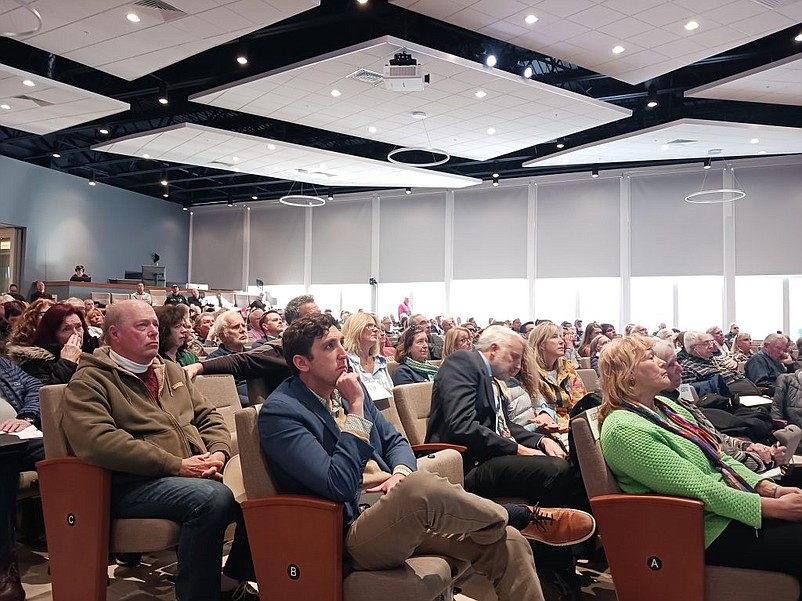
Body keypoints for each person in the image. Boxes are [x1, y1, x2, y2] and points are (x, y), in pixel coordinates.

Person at [260, 313, 565, 601]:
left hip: (392, 510)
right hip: (348, 532)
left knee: (509, 543)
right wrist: (355, 409)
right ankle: (516, 514)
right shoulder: (283, 413)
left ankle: (513, 523)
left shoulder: (345, 392)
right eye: (329, 346)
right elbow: (338, 484)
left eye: (340, 342)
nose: (343, 353)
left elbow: (397, 442)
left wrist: (401, 473)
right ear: (302, 362)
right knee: (421, 489)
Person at [61, 300, 255, 601]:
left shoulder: (171, 371)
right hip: (129, 484)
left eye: (154, 324)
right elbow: (97, 441)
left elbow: (209, 416)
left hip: (187, 474)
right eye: (142, 326)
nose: (154, 331)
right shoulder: (90, 380)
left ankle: (229, 583)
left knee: (256, 487)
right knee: (211, 498)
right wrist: (176, 464)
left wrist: (218, 453)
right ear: (114, 334)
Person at [598, 335, 802, 586]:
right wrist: (775, 508)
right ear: (627, 375)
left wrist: (770, 489)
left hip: (726, 510)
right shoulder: (624, 429)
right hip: (699, 531)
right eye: (650, 358)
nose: (662, 363)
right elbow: (698, 489)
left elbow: (718, 457)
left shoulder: (666, 407)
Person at [426, 325, 595, 596]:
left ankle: (570, 554)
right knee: (555, 471)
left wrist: (540, 441)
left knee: (567, 462)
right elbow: (462, 426)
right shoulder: (464, 362)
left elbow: (502, 426)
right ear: (493, 349)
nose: (519, 364)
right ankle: (552, 570)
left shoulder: (491, 379)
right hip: (466, 463)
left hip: (490, 457)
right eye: (514, 356)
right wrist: (518, 450)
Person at [652, 341, 791, 473]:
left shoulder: (678, 402)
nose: (680, 368)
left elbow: (714, 437)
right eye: (670, 364)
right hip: (727, 476)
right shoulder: (660, 413)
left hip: (735, 464)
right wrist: (768, 461)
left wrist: (749, 447)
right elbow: (710, 454)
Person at [0, 357, 44, 601]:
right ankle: (5, 571)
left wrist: (26, 417)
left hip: (22, 436)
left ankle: (79, 548)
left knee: (68, 455)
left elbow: (35, 387)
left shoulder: (3, 364)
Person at [7, 303, 98, 385]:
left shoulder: (93, 351)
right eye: (66, 329)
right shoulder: (35, 361)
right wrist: (67, 363)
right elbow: (46, 396)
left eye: (78, 327)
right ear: (52, 334)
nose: (76, 334)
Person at [527, 322, 587, 429]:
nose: (562, 341)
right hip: (547, 426)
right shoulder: (529, 373)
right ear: (540, 343)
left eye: (561, 336)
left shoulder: (567, 369)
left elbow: (581, 402)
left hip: (573, 422)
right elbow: (535, 409)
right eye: (555, 337)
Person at [342, 312, 393, 397]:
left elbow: (392, 392)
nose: (376, 330)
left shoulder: (380, 361)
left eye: (376, 326)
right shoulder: (346, 361)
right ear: (356, 330)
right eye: (369, 326)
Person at [207, 311, 250, 407]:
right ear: (222, 336)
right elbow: (226, 395)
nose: (242, 330)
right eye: (236, 327)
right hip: (242, 409)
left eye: (243, 325)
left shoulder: (254, 354)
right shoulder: (214, 361)